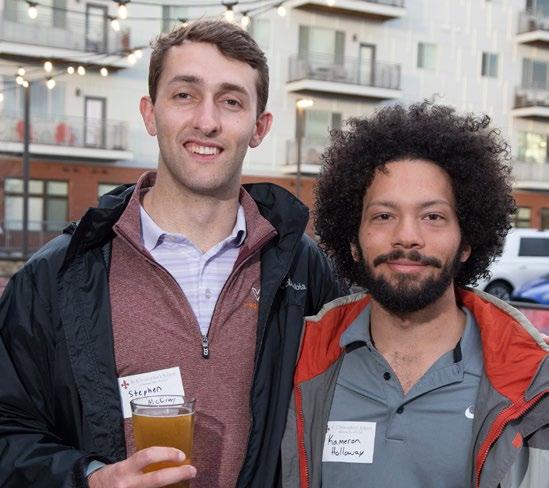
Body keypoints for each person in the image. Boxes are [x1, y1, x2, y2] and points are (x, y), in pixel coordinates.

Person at [0, 20, 344, 488]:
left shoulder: (304, 270)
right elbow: (8, 430)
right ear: (150, 113)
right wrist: (90, 479)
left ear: (259, 127)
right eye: (185, 95)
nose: (207, 121)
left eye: (231, 101)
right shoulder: (58, 275)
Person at [281, 102, 549, 488]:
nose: (407, 237)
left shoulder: (533, 383)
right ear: (353, 241)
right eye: (384, 216)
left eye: (432, 217)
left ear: (466, 241)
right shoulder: (296, 358)